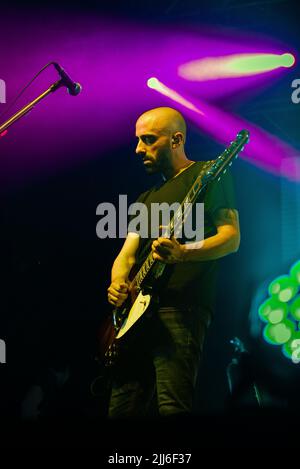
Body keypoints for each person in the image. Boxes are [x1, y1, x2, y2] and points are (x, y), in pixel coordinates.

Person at [106, 106, 240, 418]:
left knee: (173, 406)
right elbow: (126, 256)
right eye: (138, 140)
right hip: (132, 318)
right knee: (120, 409)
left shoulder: (208, 173)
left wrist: (183, 253)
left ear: (176, 139)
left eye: (148, 140)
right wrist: (117, 283)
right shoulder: (145, 198)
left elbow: (231, 238)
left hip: (181, 307)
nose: (138, 149)